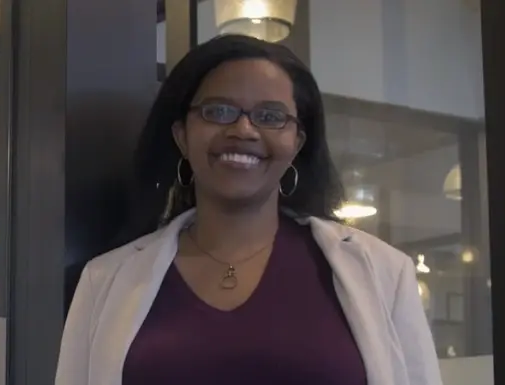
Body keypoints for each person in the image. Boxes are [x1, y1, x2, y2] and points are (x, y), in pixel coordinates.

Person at [55, 35, 441, 385]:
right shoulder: (105, 280)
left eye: (271, 116)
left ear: (297, 141)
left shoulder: (383, 273)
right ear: (181, 135)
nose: (243, 130)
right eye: (218, 111)